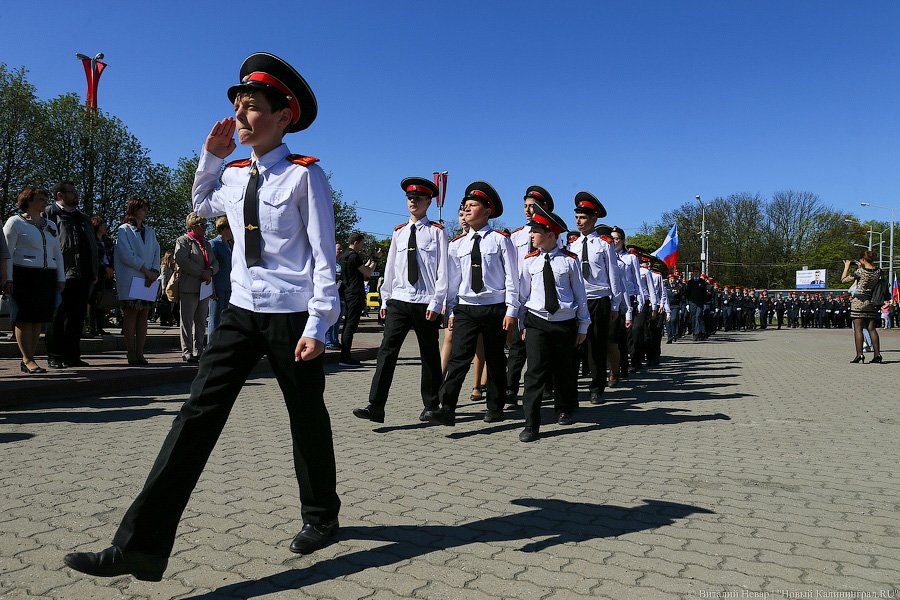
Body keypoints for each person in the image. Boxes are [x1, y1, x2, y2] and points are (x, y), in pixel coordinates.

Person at [64, 52, 342, 581]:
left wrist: (318, 325)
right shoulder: (235, 175)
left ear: (284, 118)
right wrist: (210, 159)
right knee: (195, 417)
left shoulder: (306, 176)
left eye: (252, 107)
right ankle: (139, 547)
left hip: (291, 315)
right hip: (239, 311)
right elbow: (203, 204)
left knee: (305, 417)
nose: (240, 116)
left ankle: (321, 516)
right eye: (237, 106)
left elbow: (323, 255)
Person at [353, 177, 448, 423]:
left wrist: (437, 302)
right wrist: (385, 300)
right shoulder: (399, 232)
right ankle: (376, 405)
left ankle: (431, 405)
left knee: (429, 355)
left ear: (429, 201)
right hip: (400, 300)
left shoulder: (437, 233)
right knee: (387, 352)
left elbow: (443, 271)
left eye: (418, 198)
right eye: (409, 198)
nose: (413, 201)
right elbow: (391, 269)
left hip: (426, 302)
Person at [425, 181, 519, 426]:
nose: (466, 210)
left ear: (487, 211)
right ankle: (447, 407)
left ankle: (495, 405)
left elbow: (512, 277)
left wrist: (511, 309)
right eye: (465, 206)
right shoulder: (457, 245)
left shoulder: (500, 240)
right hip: (466, 307)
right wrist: (452, 310)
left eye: (473, 205)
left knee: (496, 357)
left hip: (495, 306)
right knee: (459, 357)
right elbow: (453, 282)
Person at [517, 204, 589, 442]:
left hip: (564, 322)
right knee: (535, 373)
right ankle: (531, 423)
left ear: (550, 234)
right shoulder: (529, 261)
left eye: (535, 231)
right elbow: (523, 296)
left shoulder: (569, 261)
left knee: (564, 370)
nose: (531, 235)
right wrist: (522, 324)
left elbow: (580, 295)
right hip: (537, 321)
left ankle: (564, 408)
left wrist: (583, 325)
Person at [3, 187, 66, 373]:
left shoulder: (50, 225)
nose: (44, 202)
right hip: (23, 274)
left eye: (45, 198)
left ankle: (31, 358)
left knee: (38, 319)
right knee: (24, 318)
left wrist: (60, 278)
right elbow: (6, 253)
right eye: (40, 199)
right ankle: (27, 359)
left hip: (46, 275)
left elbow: (57, 253)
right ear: (28, 201)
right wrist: (8, 278)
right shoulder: (15, 222)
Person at [506, 186, 556, 407]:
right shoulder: (515, 235)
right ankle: (510, 390)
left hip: (542, 296)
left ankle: (546, 386)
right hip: (519, 295)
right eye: (525, 206)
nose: (527, 210)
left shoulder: (553, 234)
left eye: (532, 206)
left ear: (544, 207)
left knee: (544, 348)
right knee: (517, 347)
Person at [567, 192, 620, 404]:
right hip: (579, 301)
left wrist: (615, 303)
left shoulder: (604, 243)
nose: (579, 221)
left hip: (600, 298)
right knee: (575, 345)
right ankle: (571, 387)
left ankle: (597, 387)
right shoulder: (572, 245)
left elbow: (613, 274)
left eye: (583, 218)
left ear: (594, 220)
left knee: (597, 345)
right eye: (577, 217)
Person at [45, 181, 98, 368]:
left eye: (76, 191)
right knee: (58, 316)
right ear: (60, 194)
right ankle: (54, 355)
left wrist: (94, 271)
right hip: (61, 273)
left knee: (77, 317)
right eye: (72, 192)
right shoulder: (50, 214)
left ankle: (72, 355)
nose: (76, 195)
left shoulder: (82, 217)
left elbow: (92, 245)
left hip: (82, 274)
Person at [114, 197, 161, 365]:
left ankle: (140, 353)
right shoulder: (124, 230)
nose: (146, 212)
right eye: (142, 209)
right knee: (131, 314)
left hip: (148, 278)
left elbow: (156, 251)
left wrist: (154, 272)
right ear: (133, 210)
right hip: (132, 277)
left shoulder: (150, 231)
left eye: (146, 209)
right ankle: (131, 353)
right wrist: (146, 271)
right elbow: (126, 255)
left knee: (143, 315)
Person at [174, 212, 219, 363]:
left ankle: (198, 350)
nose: (205, 228)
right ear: (192, 225)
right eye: (202, 225)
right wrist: (201, 273)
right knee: (186, 320)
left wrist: (211, 271)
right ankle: (186, 351)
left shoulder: (206, 244)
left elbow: (215, 262)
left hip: (204, 287)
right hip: (189, 286)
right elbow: (182, 260)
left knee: (200, 321)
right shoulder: (183, 241)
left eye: (206, 225)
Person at [339, 232, 377, 366]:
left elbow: (361, 268)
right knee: (350, 326)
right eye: (361, 243)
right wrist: (376, 260)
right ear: (356, 242)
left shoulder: (345, 255)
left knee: (348, 325)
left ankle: (345, 355)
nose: (362, 246)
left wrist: (371, 258)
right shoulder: (354, 256)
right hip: (355, 294)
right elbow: (368, 272)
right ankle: (345, 357)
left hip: (348, 292)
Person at [841, 251, 884, 363]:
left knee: (858, 329)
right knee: (872, 328)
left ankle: (860, 354)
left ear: (863, 260)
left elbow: (843, 280)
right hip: (871, 301)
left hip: (859, 302)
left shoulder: (860, 271)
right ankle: (877, 354)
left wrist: (846, 266)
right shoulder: (878, 271)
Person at [207, 215, 234, 343]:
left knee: (226, 320)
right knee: (215, 319)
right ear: (222, 229)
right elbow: (210, 266)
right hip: (217, 287)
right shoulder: (214, 244)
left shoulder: (231, 245)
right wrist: (211, 287)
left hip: (229, 287)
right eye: (230, 227)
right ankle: (211, 347)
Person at [88, 216, 115, 336]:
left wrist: (111, 269)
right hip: (96, 272)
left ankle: (100, 326)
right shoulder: (91, 240)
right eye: (102, 225)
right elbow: (93, 257)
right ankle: (91, 326)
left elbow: (112, 256)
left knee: (103, 300)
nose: (105, 227)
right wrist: (104, 268)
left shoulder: (107, 240)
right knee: (93, 300)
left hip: (107, 273)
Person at [324, 242, 343, 350]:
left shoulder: (339, 264)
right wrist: (338, 275)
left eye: (341, 250)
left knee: (337, 320)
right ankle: (328, 341)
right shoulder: (329, 262)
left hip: (339, 294)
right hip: (330, 295)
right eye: (338, 249)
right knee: (330, 319)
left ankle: (334, 340)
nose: (340, 251)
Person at [157, 251, 178, 327]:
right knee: (164, 304)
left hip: (170, 285)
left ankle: (169, 319)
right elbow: (163, 277)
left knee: (169, 305)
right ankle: (163, 320)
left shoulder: (171, 266)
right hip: (165, 285)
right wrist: (163, 289)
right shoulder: (164, 266)